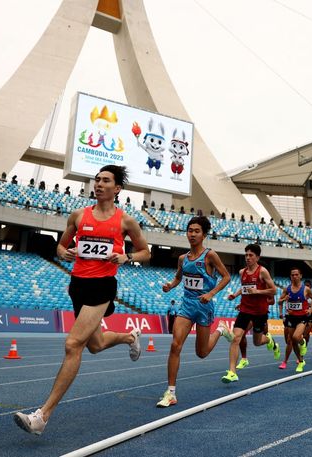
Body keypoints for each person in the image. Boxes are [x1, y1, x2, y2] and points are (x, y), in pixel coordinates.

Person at [14, 165, 150, 435]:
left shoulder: (126, 221)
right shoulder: (78, 215)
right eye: (97, 180)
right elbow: (61, 245)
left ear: (117, 189)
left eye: (106, 181)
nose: (99, 184)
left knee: (73, 344)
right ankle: (129, 338)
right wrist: (64, 252)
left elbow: (146, 252)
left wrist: (127, 257)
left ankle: (42, 416)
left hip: (102, 286)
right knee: (95, 345)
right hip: (78, 285)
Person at [156, 216, 232, 408]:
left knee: (202, 352)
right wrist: (169, 286)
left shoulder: (210, 255)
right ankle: (171, 392)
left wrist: (211, 293)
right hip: (187, 305)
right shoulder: (183, 258)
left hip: (204, 306)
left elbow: (226, 277)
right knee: (175, 345)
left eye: (197, 231)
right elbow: (178, 278)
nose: (192, 234)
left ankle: (220, 331)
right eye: (190, 230)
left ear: (204, 235)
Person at [222, 244, 279, 383]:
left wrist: (258, 292)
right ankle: (232, 372)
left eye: (251, 255)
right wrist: (235, 295)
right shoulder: (242, 272)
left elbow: (274, 290)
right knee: (236, 338)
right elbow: (244, 288)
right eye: (246, 255)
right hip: (245, 310)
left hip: (259, 312)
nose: (247, 258)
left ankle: (269, 339)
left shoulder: (262, 271)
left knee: (257, 342)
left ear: (257, 257)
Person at [277, 268, 312, 372]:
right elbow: (279, 302)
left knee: (295, 337)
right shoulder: (287, 289)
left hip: (302, 318)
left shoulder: (305, 289)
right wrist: (283, 301)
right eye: (292, 275)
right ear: (290, 277)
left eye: (296, 274)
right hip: (290, 318)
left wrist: (311, 309)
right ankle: (300, 361)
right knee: (292, 341)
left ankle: (303, 342)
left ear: (300, 276)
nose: (294, 276)